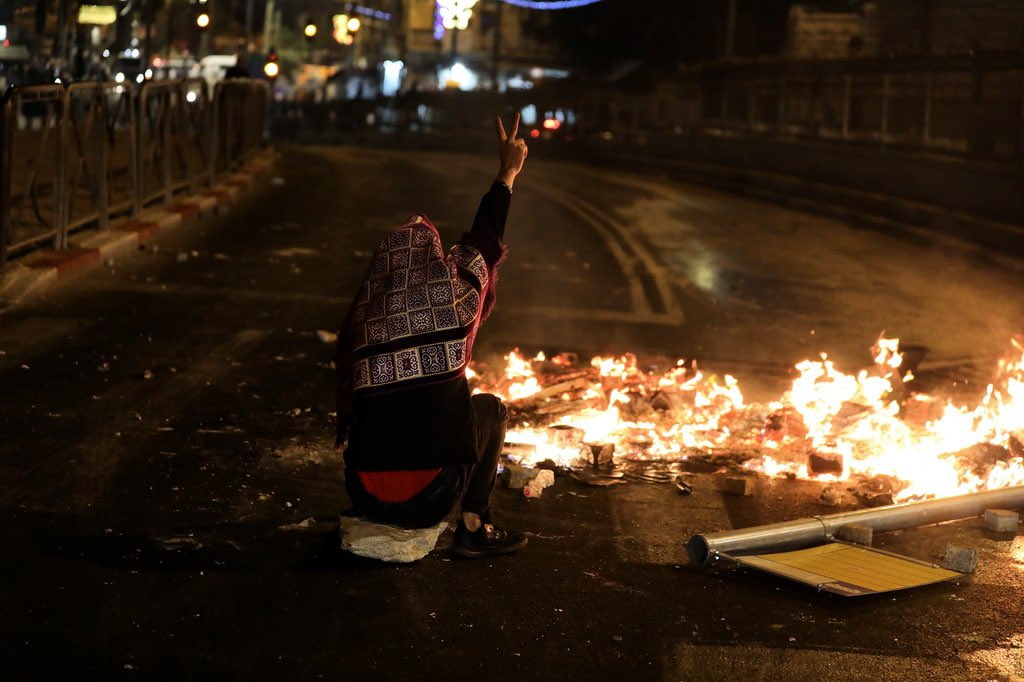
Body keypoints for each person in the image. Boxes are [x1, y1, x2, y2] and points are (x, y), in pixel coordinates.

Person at [336, 114, 529, 558]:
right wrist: (507, 173)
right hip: (429, 499)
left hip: (365, 493)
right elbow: (483, 240)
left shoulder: (368, 319)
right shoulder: (453, 301)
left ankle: (377, 505)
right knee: (491, 410)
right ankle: (474, 525)